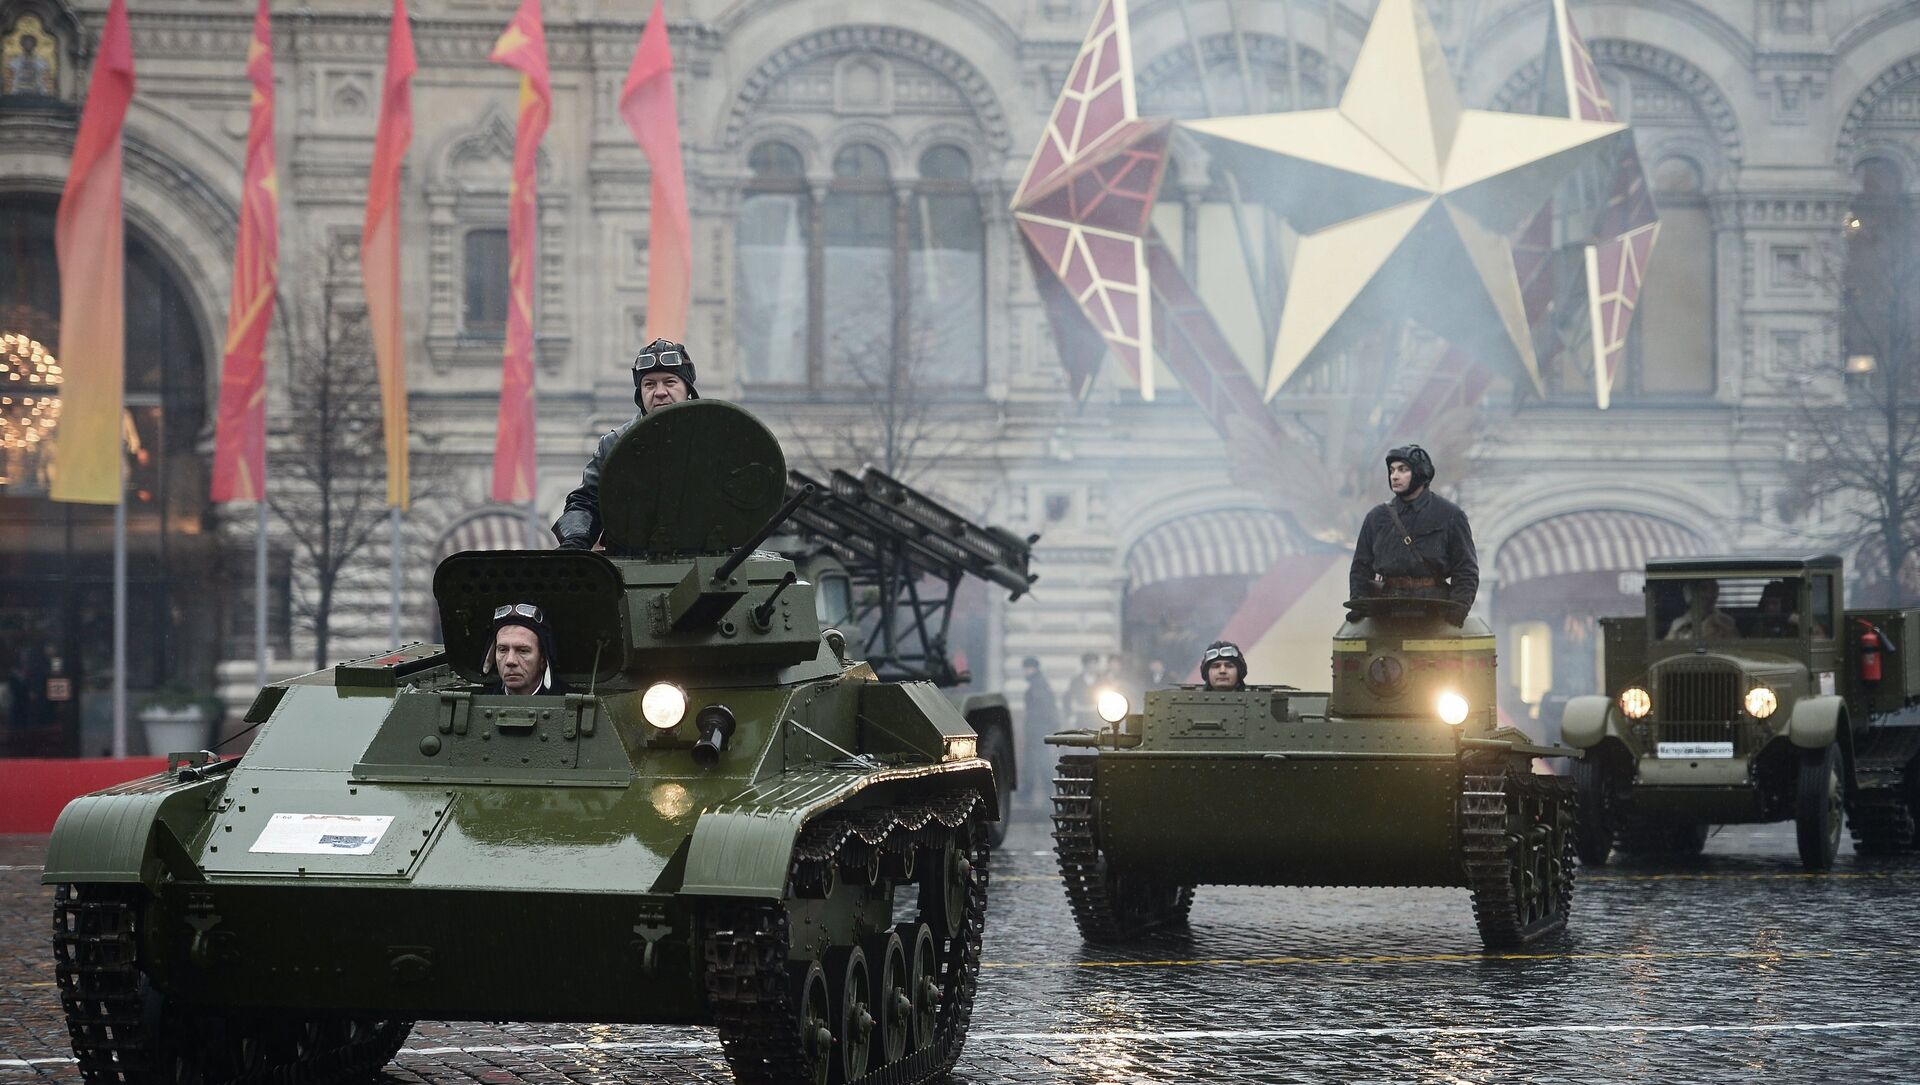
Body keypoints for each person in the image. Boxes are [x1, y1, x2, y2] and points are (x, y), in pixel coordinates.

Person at [552, 338, 699, 550]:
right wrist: (575, 541)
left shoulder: (716, 438)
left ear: (687, 390)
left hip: (711, 559)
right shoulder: (615, 444)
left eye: (670, 382)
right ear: (640, 393)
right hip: (632, 560)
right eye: (649, 384)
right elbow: (586, 502)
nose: (659, 392)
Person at [1349, 444, 1478, 625]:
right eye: (1392, 470)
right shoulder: (1377, 517)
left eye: (1403, 470)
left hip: (1435, 610)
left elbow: (1465, 568)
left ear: (1419, 473)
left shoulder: (1449, 515)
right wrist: (1359, 603)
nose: (1394, 476)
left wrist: (1459, 607)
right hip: (1386, 610)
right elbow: (1361, 567)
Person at [481, 603, 570, 695]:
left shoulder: (571, 701)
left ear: (543, 659)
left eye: (523, 651)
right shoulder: (481, 699)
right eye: (503, 650)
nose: (510, 661)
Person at [1020, 656, 1061, 808]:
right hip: (1037, 729)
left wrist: (1039, 728)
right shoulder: (1039, 684)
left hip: (1037, 730)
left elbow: (1043, 710)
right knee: (1038, 760)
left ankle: (1031, 792)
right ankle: (1043, 790)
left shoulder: (1038, 686)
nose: (1025, 672)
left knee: (1036, 761)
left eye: (1027, 668)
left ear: (1033, 668)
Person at [1665, 579, 1737, 641]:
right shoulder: (1678, 624)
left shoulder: (1727, 622)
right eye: (1703, 589)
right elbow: (1667, 648)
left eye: (1713, 589)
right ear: (1690, 594)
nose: (1709, 594)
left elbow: (1736, 646)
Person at [1062, 651, 1102, 727]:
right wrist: (1070, 715)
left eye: (1095, 664)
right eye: (1089, 664)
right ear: (1084, 665)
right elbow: (1067, 698)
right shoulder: (1076, 680)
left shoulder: (1103, 680)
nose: (1092, 667)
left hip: (1098, 717)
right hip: (1081, 716)